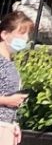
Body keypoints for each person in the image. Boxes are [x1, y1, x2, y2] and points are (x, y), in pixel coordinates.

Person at [0, 7, 32, 145]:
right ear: (5, 35)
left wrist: (13, 124)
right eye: (21, 34)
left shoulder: (9, 62)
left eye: (27, 35)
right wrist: (8, 101)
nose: (26, 39)